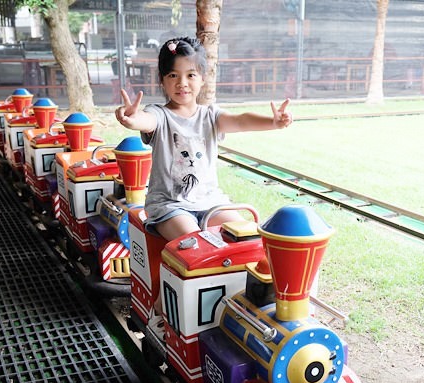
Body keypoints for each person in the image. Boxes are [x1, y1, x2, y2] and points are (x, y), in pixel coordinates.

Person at [115, 36, 293, 243]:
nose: (182, 83)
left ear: (202, 78)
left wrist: (273, 122)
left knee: (247, 237)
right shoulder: (159, 115)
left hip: (211, 202)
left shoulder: (211, 116)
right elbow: (145, 121)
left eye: (191, 75)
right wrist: (131, 119)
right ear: (162, 80)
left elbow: (241, 120)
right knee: (197, 244)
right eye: (173, 75)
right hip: (171, 206)